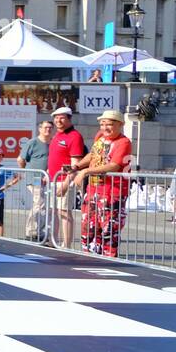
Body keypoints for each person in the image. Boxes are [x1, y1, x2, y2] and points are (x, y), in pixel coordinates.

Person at [63, 109, 133, 258]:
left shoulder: (124, 142)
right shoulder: (100, 137)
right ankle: (88, 258)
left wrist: (86, 172)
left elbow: (114, 165)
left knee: (108, 230)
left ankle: (109, 261)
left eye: (109, 124)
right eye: (102, 124)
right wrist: (77, 166)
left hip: (113, 192)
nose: (105, 128)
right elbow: (93, 154)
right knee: (88, 227)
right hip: (94, 190)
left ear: (120, 124)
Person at [48, 106, 87, 249]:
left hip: (64, 180)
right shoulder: (57, 135)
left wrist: (65, 183)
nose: (58, 120)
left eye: (62, 117)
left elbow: (74, 164)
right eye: (56, 117)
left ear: (69, 118)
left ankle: (66, 244)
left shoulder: (75, 136)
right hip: (53, 179)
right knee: (55, 211)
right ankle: (54, 240)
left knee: (64, 212)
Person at [18, 119, 53, 242]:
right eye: (45, 127)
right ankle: (31, 231)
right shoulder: (33, 143)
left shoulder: (53, 143)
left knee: (46, 205)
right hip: (35, 179)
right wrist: (25, 172)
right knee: (39, 203)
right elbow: (21, 159)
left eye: (49, 128)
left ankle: (40, 230)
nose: (47, 130)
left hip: (49, 178)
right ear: (40, 129)